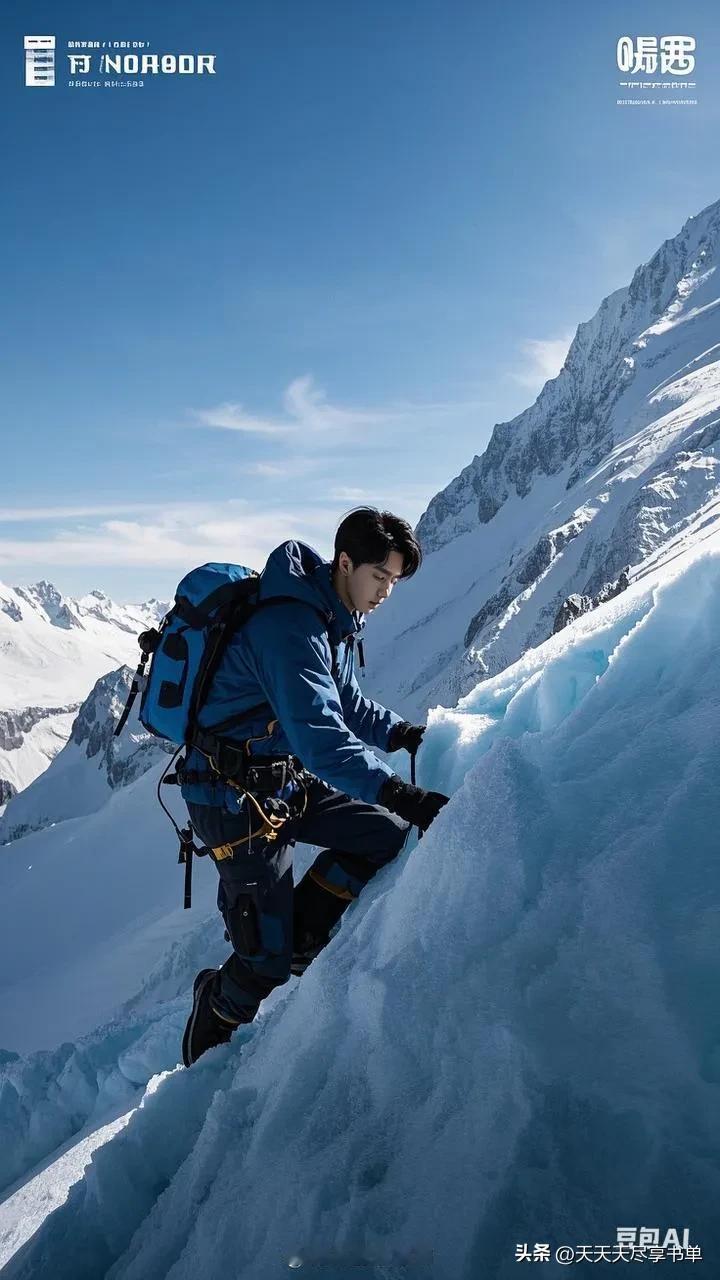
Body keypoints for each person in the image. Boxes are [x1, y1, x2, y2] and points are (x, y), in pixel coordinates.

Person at [180, 506, 450, 1066]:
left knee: (382, 838)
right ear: (345, 562)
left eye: (394, 582)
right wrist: (402, 793)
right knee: (262, 963)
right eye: (380, 578)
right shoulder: (288, 626)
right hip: (230, 798)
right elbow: (320, 737)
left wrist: (398, 732)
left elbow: (343, 701)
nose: (385, 593)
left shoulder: (333, 614)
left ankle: (298, 938)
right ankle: (206, 1033)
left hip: (283, 780)